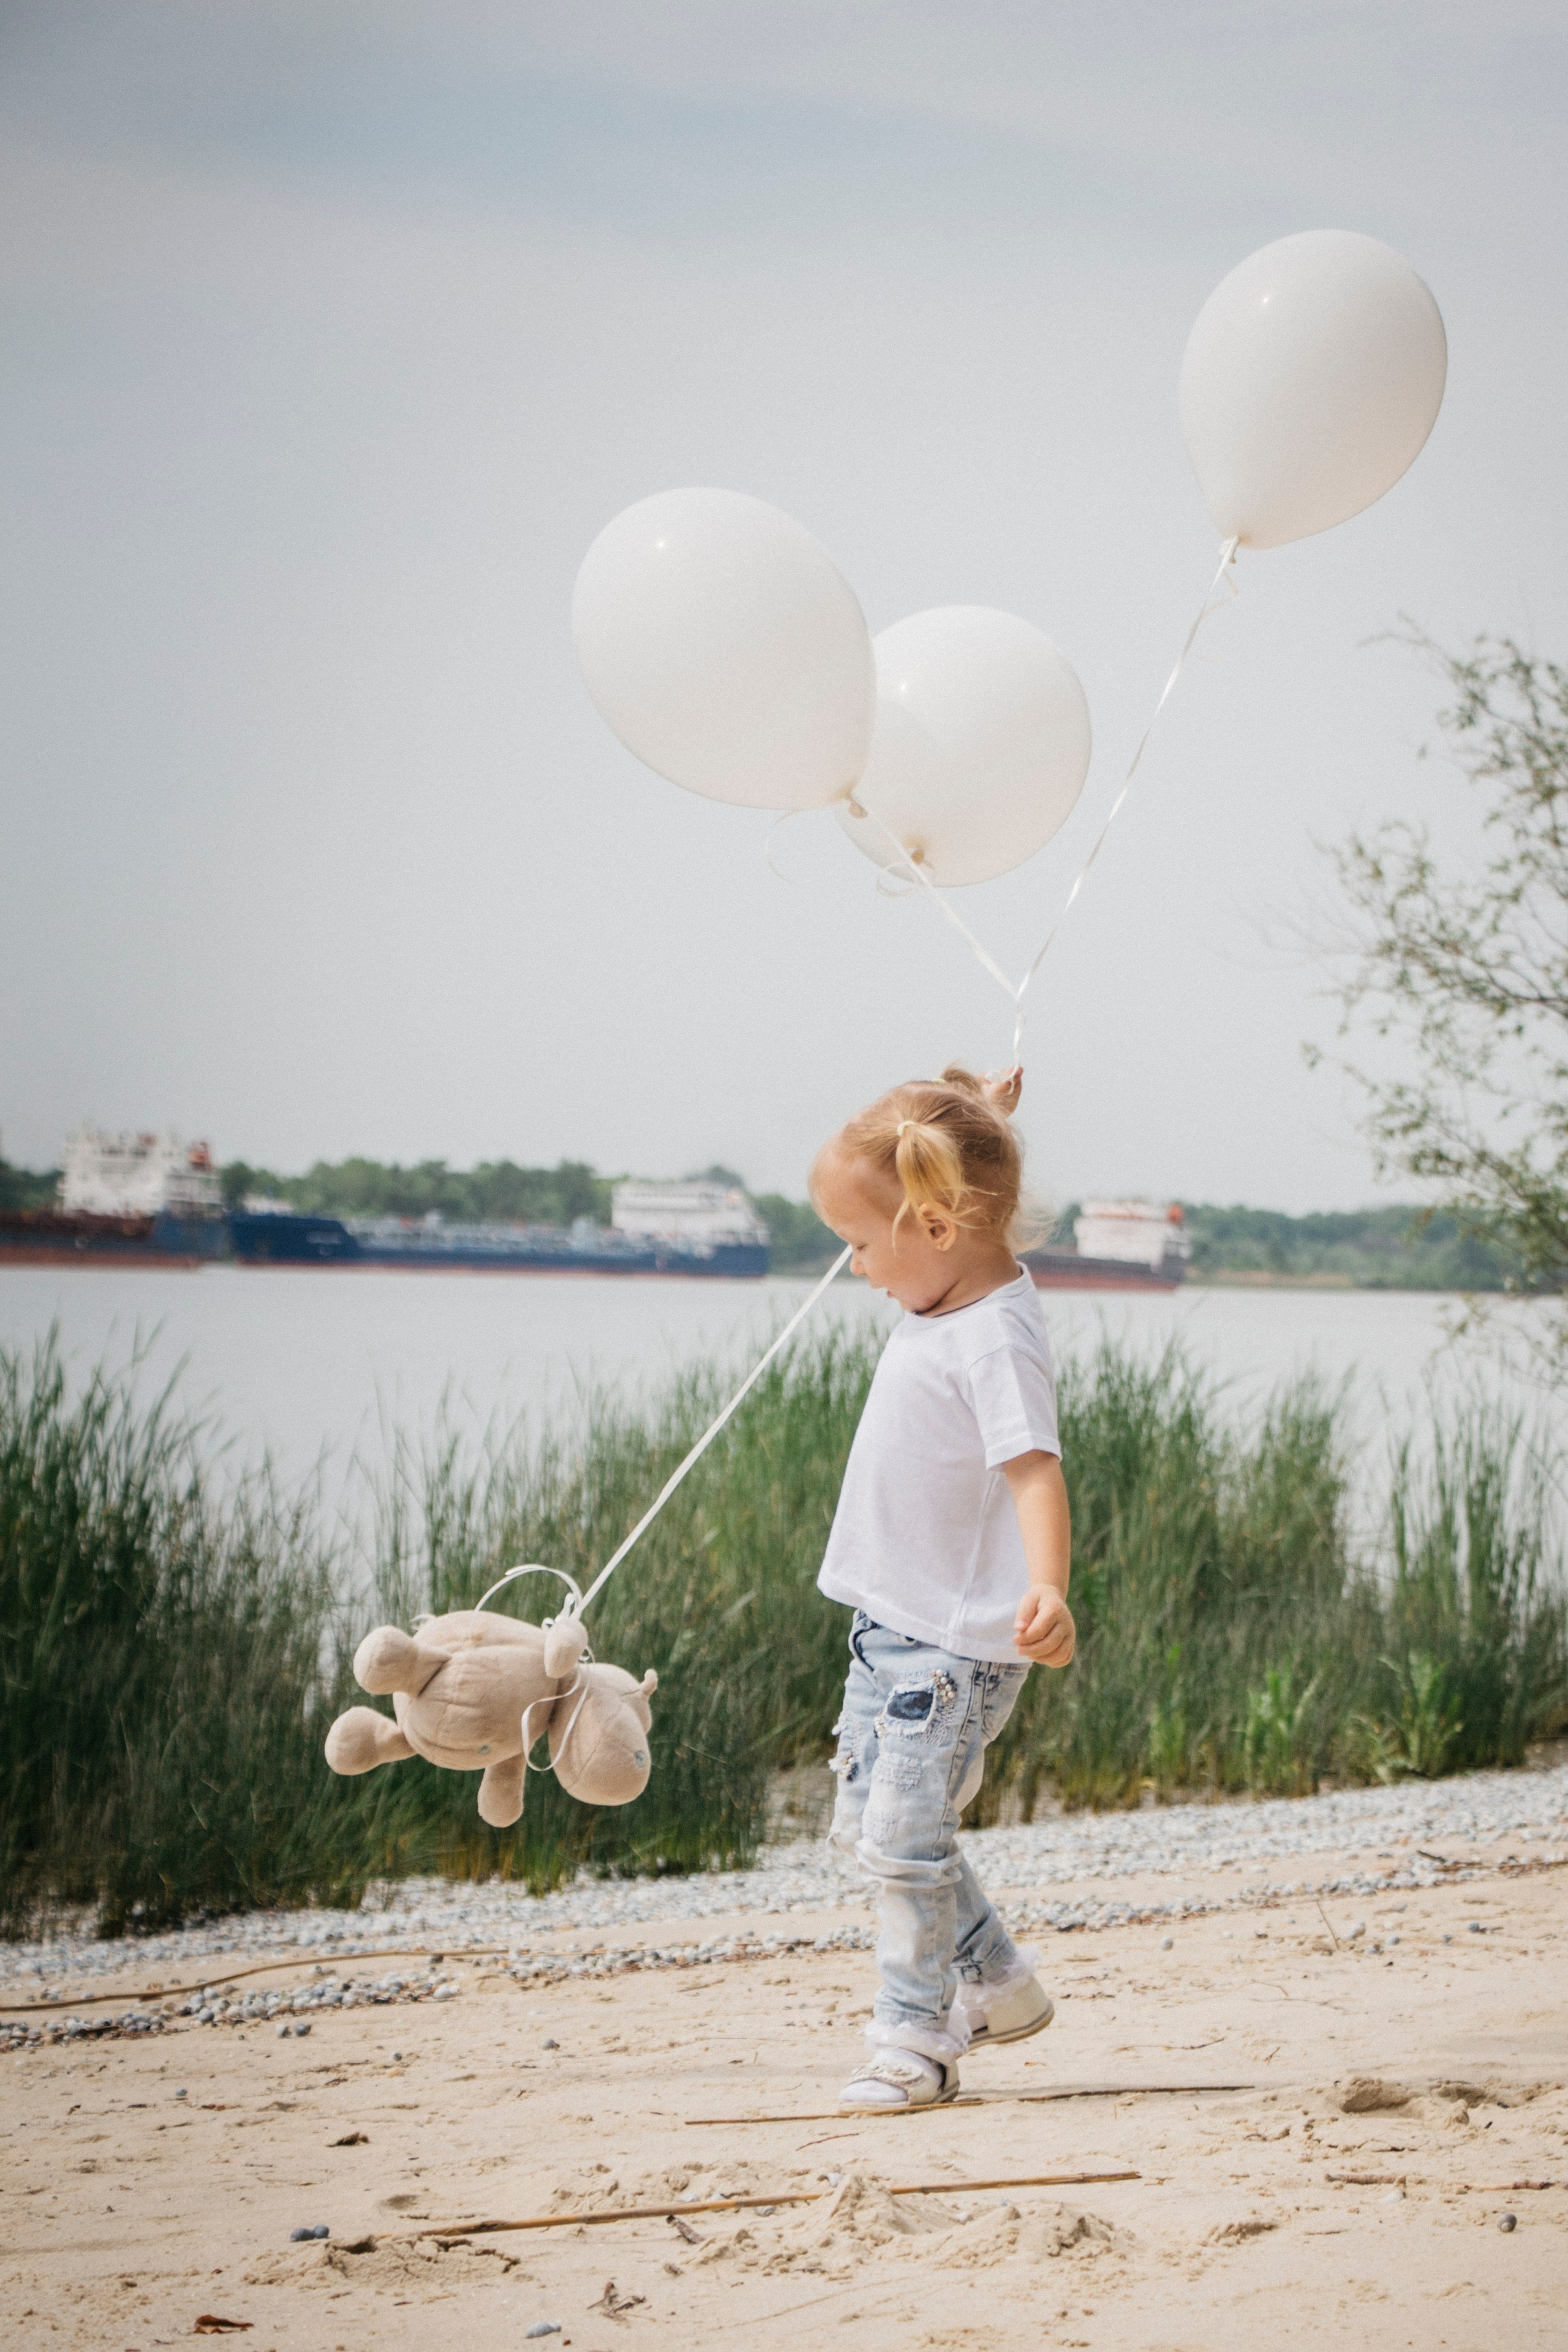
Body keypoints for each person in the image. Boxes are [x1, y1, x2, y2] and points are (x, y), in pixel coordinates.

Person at [811, 1064, 1074, 2111]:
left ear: (933, 1226)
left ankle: (915, 2039)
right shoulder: (946, 1278)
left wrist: (1048, 1587)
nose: (855, 1265)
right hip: (891, 1629)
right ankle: (1000, 1983)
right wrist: (987, 1121)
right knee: (865, 1830)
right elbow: (949, 1168)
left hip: (952, 1647)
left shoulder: (994, 1332)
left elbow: (1035, 1469)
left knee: (906, 1845)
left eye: (862, 1244)